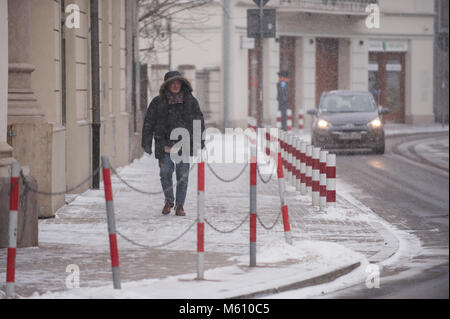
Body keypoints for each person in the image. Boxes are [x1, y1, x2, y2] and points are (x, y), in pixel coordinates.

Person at [142, 71, 205, 216]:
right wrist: (146, 141)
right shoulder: (158, 102)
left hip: (184, 145)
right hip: (165, 145)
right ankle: (169, 200)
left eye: (178, 83)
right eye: (172, 83)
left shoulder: (191, 101)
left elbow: (198, 122)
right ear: (167, 85)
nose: (175, 85)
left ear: (182, 84)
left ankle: (180, 205)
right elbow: (149, 123)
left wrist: (199, 142)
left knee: (182, 176)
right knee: (165, 173)